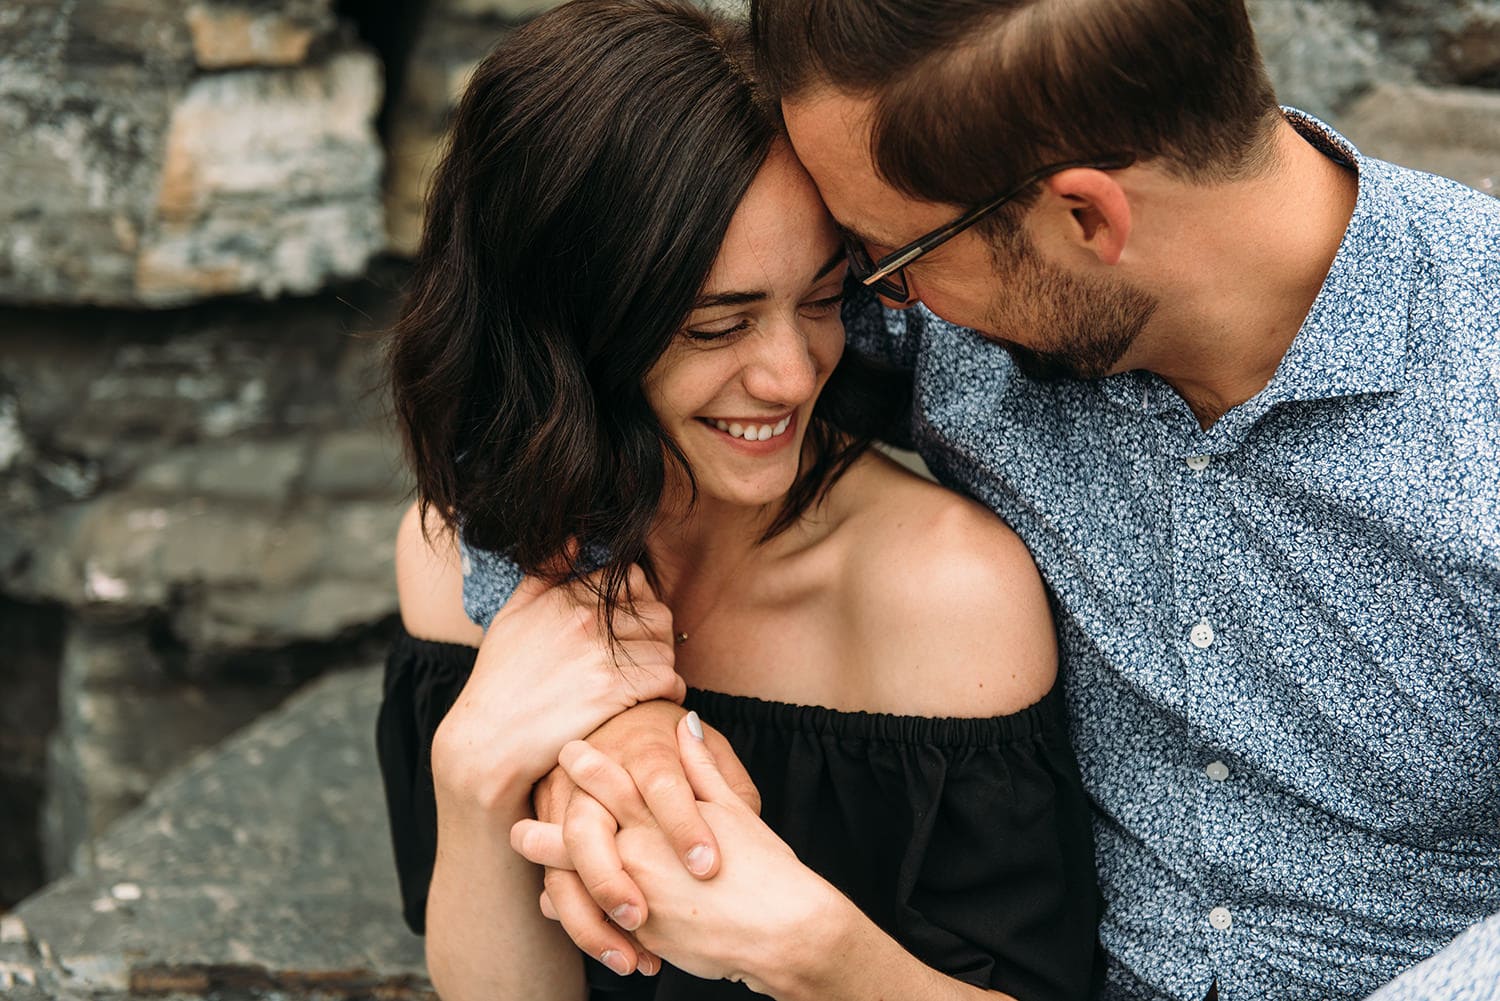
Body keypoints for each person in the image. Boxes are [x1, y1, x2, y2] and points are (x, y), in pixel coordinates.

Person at [489, 1, 1500, 999]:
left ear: (1085, 217)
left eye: (883, 259)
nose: (885, 303)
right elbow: (556, 373)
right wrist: (618, 699)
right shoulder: (955, 302)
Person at [377, 2, 1101, 1000]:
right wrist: (472, 777)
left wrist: (812, 951)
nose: (792, 375)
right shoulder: (454, 550)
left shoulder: (941, 590)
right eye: (718, 326)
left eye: (820, 299)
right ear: (573, 328)